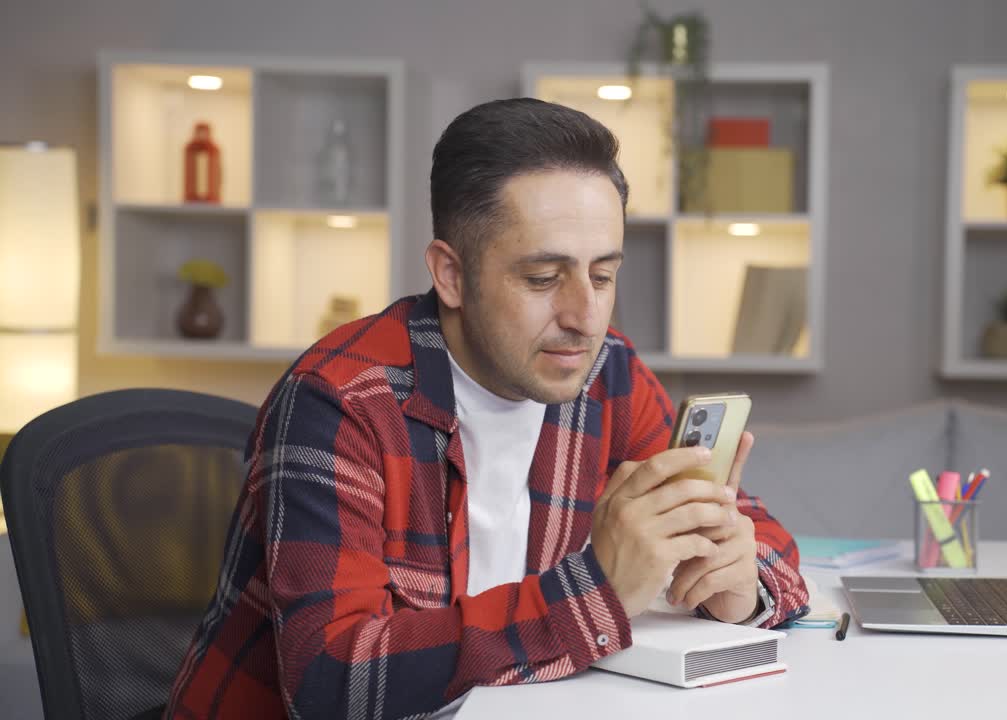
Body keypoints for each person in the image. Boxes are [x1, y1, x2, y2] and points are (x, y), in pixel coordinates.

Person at [165, 98, 809, 719]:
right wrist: (596, 590)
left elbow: (764, 538)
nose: (585, 316)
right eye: (542, 278)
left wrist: (741, 583)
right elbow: (333, 683)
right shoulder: (337, 402)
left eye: (604, 275)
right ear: (450, 275)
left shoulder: (604, 374)